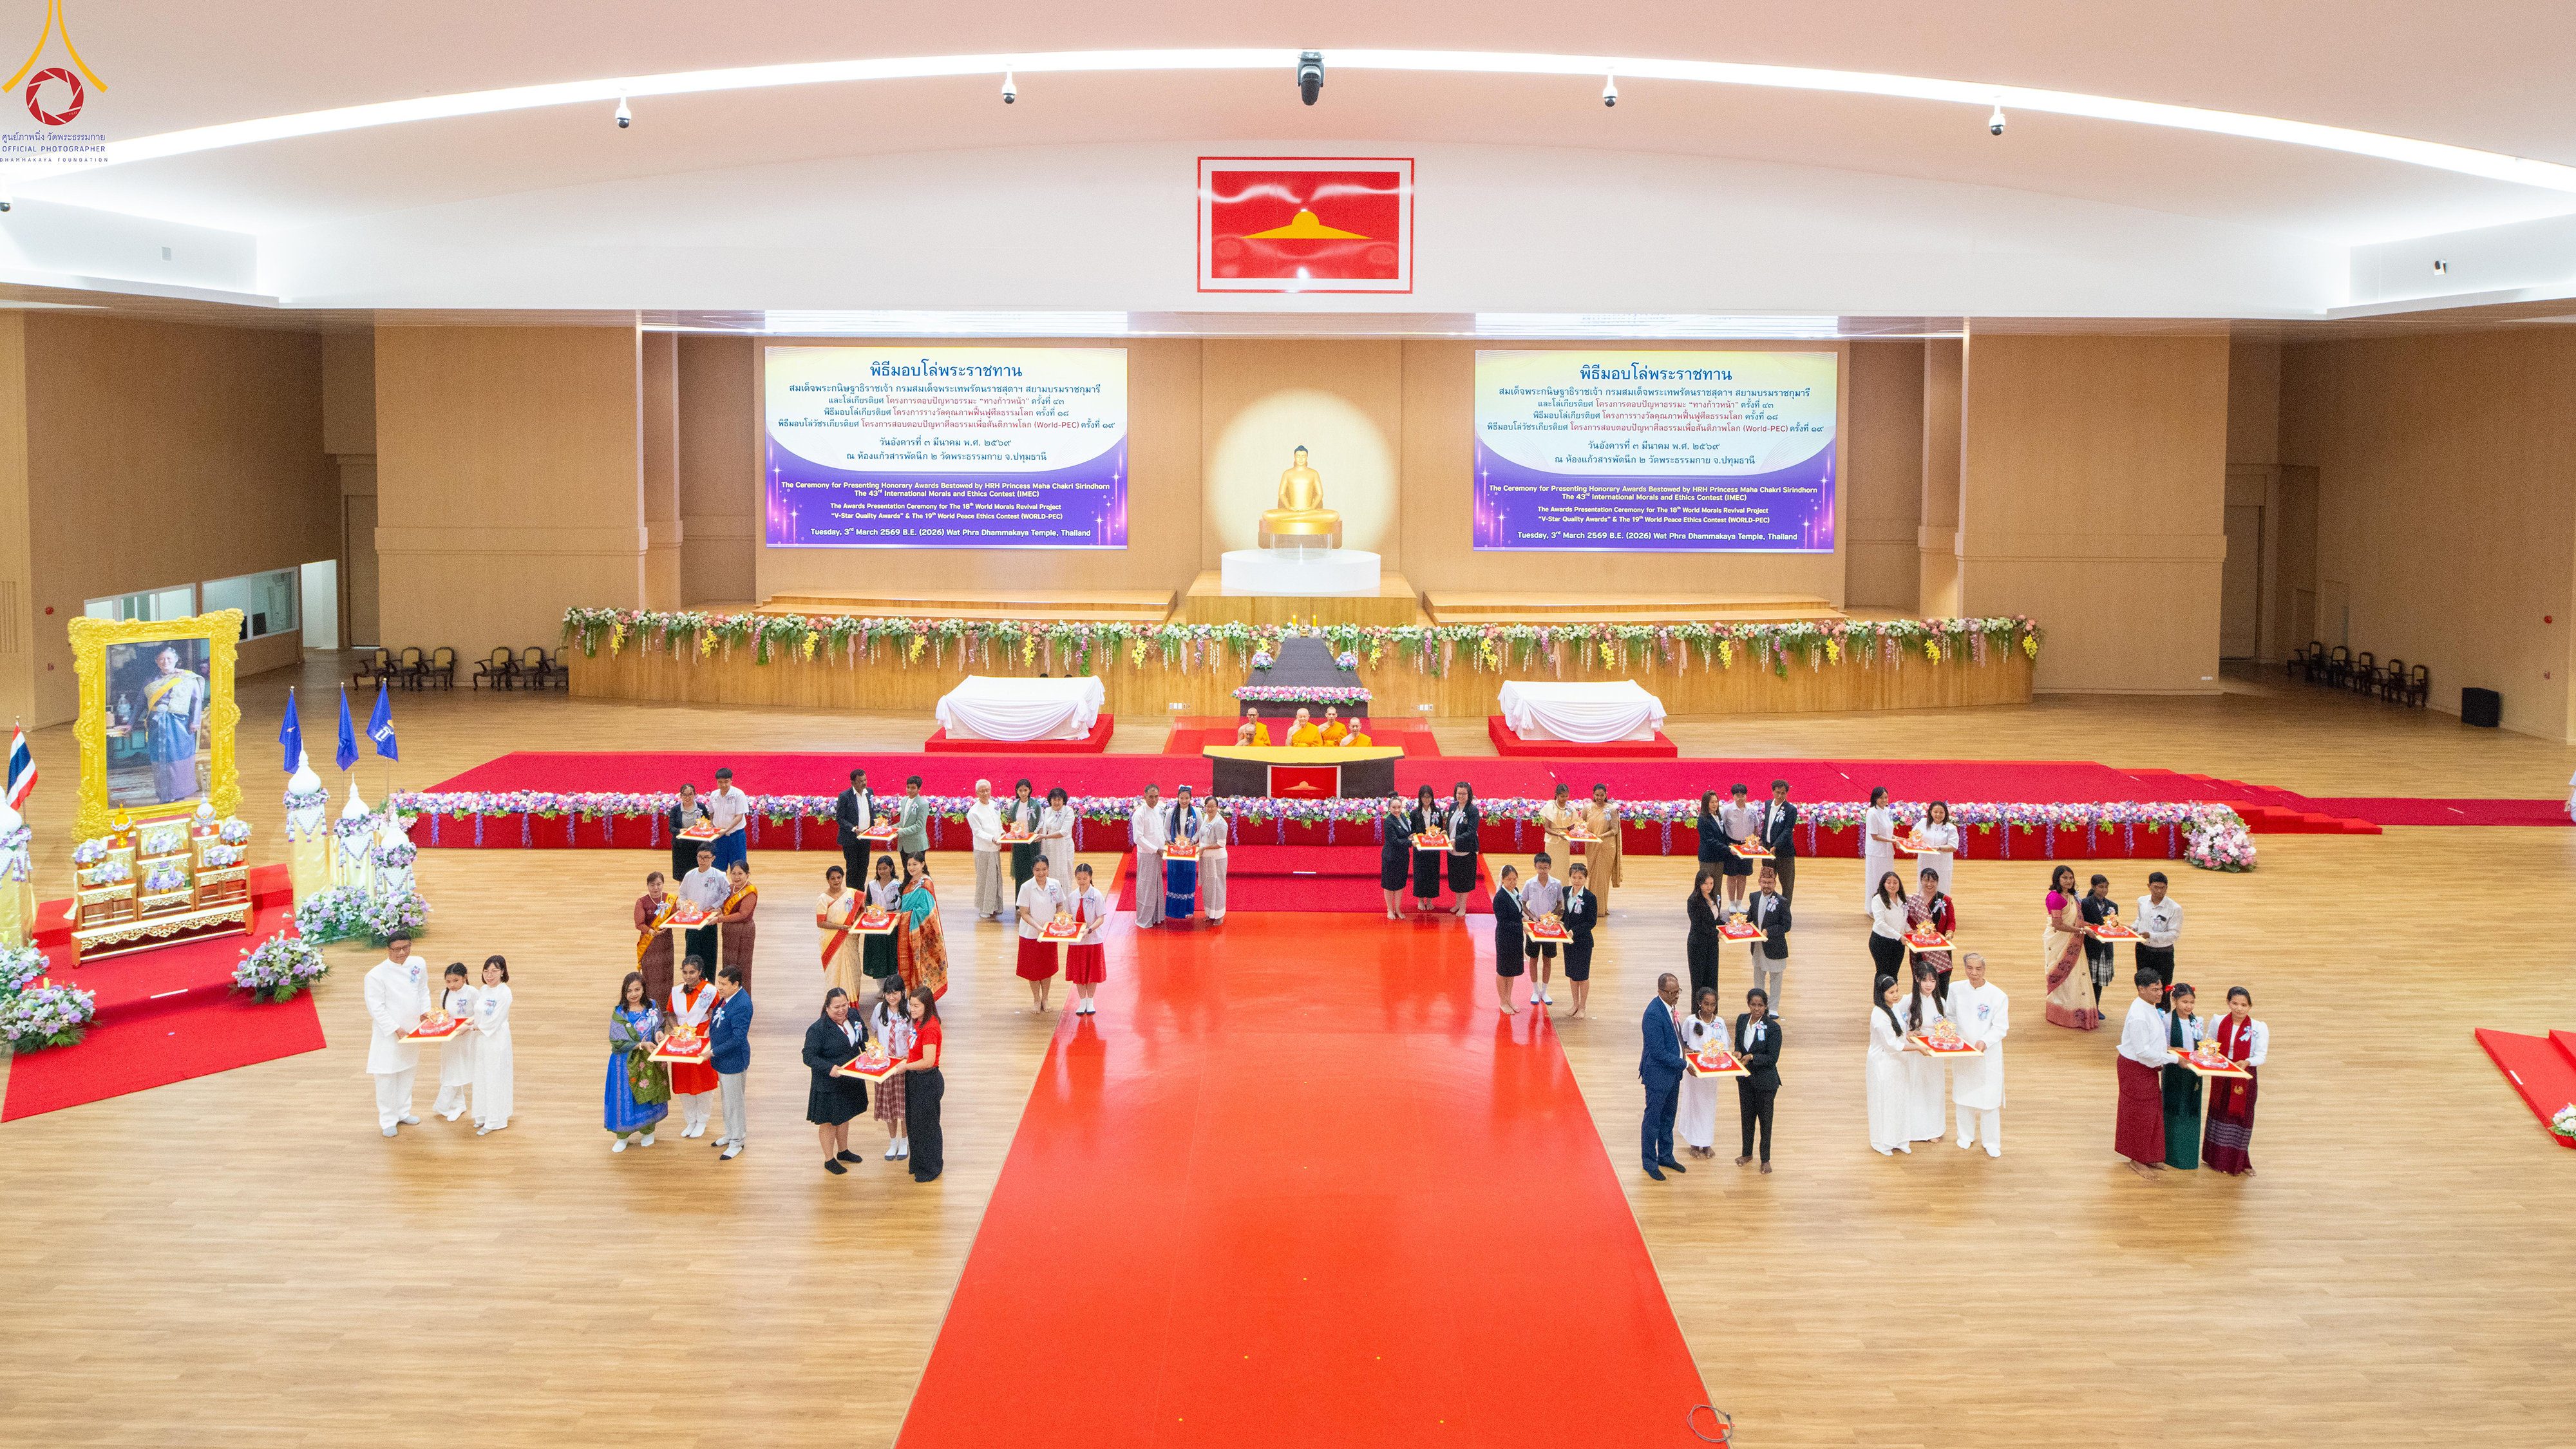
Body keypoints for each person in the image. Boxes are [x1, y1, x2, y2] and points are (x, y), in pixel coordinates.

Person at [363, 934, 430, 1137]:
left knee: (408, 1071)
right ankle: (387, 1119)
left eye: (406, 947)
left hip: (413, 1028)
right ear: (388, 949)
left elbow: (422, 990)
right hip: (389, 1034)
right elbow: (376, 1008)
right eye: (397, 949)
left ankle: (403, 1111)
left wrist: (425, 1013)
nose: (402, 953)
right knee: (386, 1075)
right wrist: (396, 1029)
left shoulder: (418, 964)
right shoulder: (376, 975)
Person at [802, 986, 872, 1175]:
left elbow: (863, 1035)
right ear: (827, 1008)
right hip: (829, 1083)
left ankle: (843, 1151)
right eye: (837, 1007)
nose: (842, 1010)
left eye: (845, 1005)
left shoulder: (854, 1015)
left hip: (850, 1077)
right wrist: (830, 1068)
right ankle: (829, 1159)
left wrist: (868, 1050)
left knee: (844, 1115)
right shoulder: (818, 1029)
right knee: (829, 1121)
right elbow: (808, 1056)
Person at [2115, 969, 2177, 1177]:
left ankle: (2150, 1155)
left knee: (2153, 1112)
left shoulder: (2148, 1006)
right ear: (2141, 989)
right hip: (2135, 1069)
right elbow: (2142, 1052)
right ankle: (2137, 1159)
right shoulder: (2139, 1016)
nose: (2160, 993)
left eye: (2161, 988)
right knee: (2140, 1115)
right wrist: (2174, 1059)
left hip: (2145, 1067)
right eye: (2155, 990)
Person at [2203, 987, 2268, 1177]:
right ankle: (2218, 1160)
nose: (2239, 1009)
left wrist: (2247, 1061)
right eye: (2235, 1004)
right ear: (2228, 1003)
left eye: (2244, 1005)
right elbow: (2210, 1042)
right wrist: (2210, 1053)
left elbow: (2261, 1056)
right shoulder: (2218, 1021)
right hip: (2223, 1073)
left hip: (2245, 1075)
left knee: (2241, 1116)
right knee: (2221, 1113)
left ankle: (2241, 1161)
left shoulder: (2258, 1027)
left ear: (2250, 1006)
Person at [1948, 953, 2009, 1155]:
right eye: (1970, 968)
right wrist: (1954, 1036)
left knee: (1989, 1098)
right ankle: (1965, 1135)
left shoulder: (1998, 996)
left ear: (1984, 969)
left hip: (1988, 1054)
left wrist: (1986, 1041)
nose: (1974, 973)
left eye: (1978, 969)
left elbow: (2000, 1028)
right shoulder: (1955, 989)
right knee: (1964, 1094)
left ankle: (1991, 1141)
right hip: (1963, 1051)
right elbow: (1950, 1017)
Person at [604, 971, 668, 1152]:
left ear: (644, 989)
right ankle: (622, 1136)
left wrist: (659, 1033)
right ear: (624, 992)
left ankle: (648, 1132)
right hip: (625, 1062)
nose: (633, 994)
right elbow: (616, 1042)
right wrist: (640, 1044)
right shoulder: (620, 1014)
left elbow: (660, 1024)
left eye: (637, 989)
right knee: (625, 1097)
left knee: (648, 1095)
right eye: (629, 991)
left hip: (650, 1060)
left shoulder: (653, 1006)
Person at [141, 645, 208, 802]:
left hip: (180, 724)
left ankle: (179, 795)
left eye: (169, 658)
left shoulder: (187, 678)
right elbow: (140, 703)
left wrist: (195, 722)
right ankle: (164, 796)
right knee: (160, 760)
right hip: (156, 724)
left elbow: (197, 700)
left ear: (176, 660)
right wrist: (130, 724)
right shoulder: (150, 681)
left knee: (179, 759)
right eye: (162, 659)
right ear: (156, 661)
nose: (166, 662)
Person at [1638, 972, 1687, 1180]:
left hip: (1672, 1074)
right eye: (1672, 993)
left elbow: (1675, 1038)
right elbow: (1657, 1052)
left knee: (1668, 1118)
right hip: (1658, 1076)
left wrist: (1686, 1051)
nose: (1676, 996)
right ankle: (1649, 1162)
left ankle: (1666, 1156)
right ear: (1661, 992)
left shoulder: (1669, 1007)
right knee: (1653, 1120)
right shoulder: (1652, 1015)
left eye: (1678, 992)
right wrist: (1684, 1064)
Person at [1867, 974, 1922, 1155]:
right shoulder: (1879, 1015)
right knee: (1886, 1101)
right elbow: (1891, 1045)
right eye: (1891, 992)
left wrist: (1909, 1035)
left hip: (1898, 1063)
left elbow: (1900, 1032)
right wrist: (1917, 1048)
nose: (1896, 995)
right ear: (1882, 994)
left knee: (1900, 1099)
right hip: (1884, 1063)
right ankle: (1883, 1142)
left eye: (1897, 991)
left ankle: (1900, 1139)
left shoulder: (1895, 1008)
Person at [666, 956, 721, 1138]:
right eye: (685, 972)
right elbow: (671, 1014)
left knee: (702, 1079)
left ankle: (702, 1120)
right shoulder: (676, 991)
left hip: (702, 1038)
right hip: (682, 1040)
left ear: (700, 972)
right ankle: (690, 1120)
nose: (688, 976)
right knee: (683, 1080)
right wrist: (675, 1028)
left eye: (692, 972)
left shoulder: (710, 991)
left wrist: (710, 1032)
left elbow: (717, 1013)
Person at [1733, 987, 1783, 1172]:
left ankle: (1765, 1159)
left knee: (1765, 1121)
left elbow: (1772, 1058)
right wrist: (1738, 1051)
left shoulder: (1773, 1028)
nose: (1757, 1009)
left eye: (1760, 1005)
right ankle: (1747, 1153)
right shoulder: (1741, 1020)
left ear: (1766, 1006)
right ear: (1748, 1004)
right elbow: (1739, 1042)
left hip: (1766, 1082)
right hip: (1745, 1079)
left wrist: (1752, 1057)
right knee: (1746, 1118)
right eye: (1753, 1005)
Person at [2041, 864, 2097, 1030]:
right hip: (2060, 942)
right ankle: (2062, 1014)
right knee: (2065, 976)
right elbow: (2058, 925)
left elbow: (2074, 920)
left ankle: (2077, 1013)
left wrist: (2091, 926)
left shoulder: (2072, 897)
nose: (2069, 881)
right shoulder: (2055, 897)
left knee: (2076, 976)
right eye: (2065, 878)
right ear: (2057, 879)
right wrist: (2083, 930)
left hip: (2074, 940)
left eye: (2071, 878)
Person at [1899, 964, 1949, 1142]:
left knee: (1934, 1089)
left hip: (1935, 1053)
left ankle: (1932, 1130)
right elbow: (1896, 1024)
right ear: (1917, 979)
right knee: (1916, 1088)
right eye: (1925, 980)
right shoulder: (1908, 1000)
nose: (1929, 985)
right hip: (1915, 1052)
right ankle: (1915, 1130)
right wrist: (1909, 1034)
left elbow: (1947, 1027)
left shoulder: (1941, 1003)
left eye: (1933, 981)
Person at [900, 987, 945, 1182]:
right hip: (915, 1079)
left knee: (927, 1127)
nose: (912, 1009)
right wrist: (905, 1059)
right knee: (914, 1124)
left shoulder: (930, 1027)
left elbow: (928, 1061)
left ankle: (931, 1167)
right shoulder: (918, 1023)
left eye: (916, 1006)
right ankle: (918, 1163)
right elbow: (916, 1051)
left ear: (927, 1006)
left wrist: (905, 1066)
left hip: (927, 1081)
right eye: (911, 1004)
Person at [708, 963, 752, 1160]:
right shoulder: (727, 998)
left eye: (723, 984)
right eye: (719, 983)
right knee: (727, 1099)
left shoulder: (742, 1004)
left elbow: (738, 1039)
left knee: (735, 1102)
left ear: (735, 984)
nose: (719, 987)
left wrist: (712, 1052)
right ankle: (730, 1133)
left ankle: (737, 1141)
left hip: (733, 1060)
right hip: (723, 1060)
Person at [1015, 853, 1068, 1012]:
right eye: (1038, 869)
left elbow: (1060, 905)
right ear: (1033, 870)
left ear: (1048, 869)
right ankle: (1036, 999)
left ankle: (1045, 998)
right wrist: (1038, 927)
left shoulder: (1055, 884)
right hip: (1031, 934)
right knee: (1033, 969)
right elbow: (1024, 913)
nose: (1041, 873)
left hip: (1050, 934)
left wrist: (1057, 919)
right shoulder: (1026, 887)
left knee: (1047, 967)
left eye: (1044, 869)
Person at [1678, 985, 1726, 1157]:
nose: (1709, 1008)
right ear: (1699, 1003)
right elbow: (1682, 1043)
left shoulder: (1719, 1023)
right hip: (1694, 1072)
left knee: (1708, 1107)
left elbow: (1725, 1046)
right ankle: (1693, 1143)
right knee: (1694, 1105)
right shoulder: (1691, 1021)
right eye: (1706, 1004)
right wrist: (1689, 1052)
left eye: (1713, 1005)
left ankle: (1706, 1144)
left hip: (1711, 1074)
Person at [2162, 982, 2206, 1170]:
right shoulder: (2166, 1020)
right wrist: (2172, 1051)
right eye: (2184, 1002)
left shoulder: (2197, 1021)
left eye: (2192, 1003)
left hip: (2194, 1072)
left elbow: (2201, 1044)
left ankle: (2188, 1155)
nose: (2189, 1006)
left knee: (2191, 1108)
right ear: (2174, 1000)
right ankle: (2171, 1154)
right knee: (2173, 1108)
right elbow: (2161, 1044)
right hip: (2174, 1070)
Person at [869, 977, 914, 1160]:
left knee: (903, 1107)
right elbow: (874, 1030)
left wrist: (909, 1057)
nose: (892, 997)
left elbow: (915, 1035)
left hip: (904, 1066)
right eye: (888, 993)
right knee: (889, 1107)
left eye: (895, 993)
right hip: (885, 1067)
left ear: (902, 992)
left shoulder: (910, 1009)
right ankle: (892, 1142)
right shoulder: (879, 1010)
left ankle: (905, 1142)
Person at [896, 852, 951, 999]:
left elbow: (927, 912)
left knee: (923, 965)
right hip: (908, 929)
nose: (911, 868)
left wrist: (904, 917)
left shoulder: (926, 884)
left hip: (923, 933)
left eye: (915, 864)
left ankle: (923, 997)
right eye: (909, 865)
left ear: (923, 864)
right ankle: (912, 994)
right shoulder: (910, 880)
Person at [469, 956, 513, 1135]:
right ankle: (482, 1115)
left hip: (496, 1039)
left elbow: (495, 1020)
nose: (490, 975)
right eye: (486, 971)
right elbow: (478, 1013)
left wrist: (474, 1027)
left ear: (503, 972)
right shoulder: (483, 990)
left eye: (495, 971)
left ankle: (495, 1120)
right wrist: (467, 1024)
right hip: (481, 1039)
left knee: (495, 1077)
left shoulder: (505, 992)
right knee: (481, 1075)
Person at [433, 963, 477, 1122]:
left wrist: (467, 1026)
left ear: (465, 977)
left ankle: (443, 1106)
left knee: (458, 1070)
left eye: (456, 981)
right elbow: (444, 1015)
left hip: (467, 1037)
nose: (451, 985)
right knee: (451, 1069)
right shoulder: (444, 994)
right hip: (451, 1039)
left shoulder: (473, 992)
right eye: (448, 981)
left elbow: (479, 1014)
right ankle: (458, 1104)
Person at [1744, 864, 1792, 1013]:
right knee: (1758, 975)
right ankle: (1758, 1005)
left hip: (1775, 947)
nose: (1766, 886)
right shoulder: (1754, 896)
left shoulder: (1782, 902)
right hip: (1758, 946)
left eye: (1770, 883)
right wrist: (1741, 923)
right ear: (1759, 881)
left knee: (1775, 978)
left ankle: (1773, 1008)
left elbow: (1786, 925)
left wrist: (1768, 931)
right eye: (1764, 882)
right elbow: (1751, 916)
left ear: (1775, 883)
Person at [1065, 861, 1110, 1016]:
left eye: (1085, 878)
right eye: (1079, 878)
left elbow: (1101, 919)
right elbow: (1068, 917)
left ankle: (1090, 1001)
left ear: (1090, 877)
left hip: (1093, 940)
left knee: (1092, 972)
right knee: (1079, 972)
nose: (1081, 881)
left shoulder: (1096, 895)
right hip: (1076, 941)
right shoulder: (1072, 896)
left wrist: (1089, 930)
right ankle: (1081, 1001)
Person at [1520, 851, 1566, 1007]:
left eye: (1545, 868)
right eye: (1539, 867)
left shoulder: (1557, 884)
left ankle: (1545, 991)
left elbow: (1560, 905)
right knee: (1533, 958)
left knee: (1547, 958)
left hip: (1549, 928)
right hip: (1534, 927)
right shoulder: (1529, 883)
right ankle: (1535, 990)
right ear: (1535, 867)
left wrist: (1552, 917)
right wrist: (1533, 918)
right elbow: (1523, 904)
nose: (1542, 870)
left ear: (1550, 867)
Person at [1906, 867, 1956, 1003]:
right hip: (1920, 948)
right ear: (1921, 880)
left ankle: (1941, 1010)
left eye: (1933, 881)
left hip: (1940, 947)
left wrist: (1949, 934)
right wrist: (1913, 931)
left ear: (1937, 882)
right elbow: (1908, 920)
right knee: (1920, 979)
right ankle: (1918, 1008)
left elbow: (1951, 921)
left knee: (1943, 980)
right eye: (1926, 880)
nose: (1929, 884)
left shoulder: (1945, 900)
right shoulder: (1913, 900)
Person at [2079, 874, 2123, 1019]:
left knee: (2099, 980)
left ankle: (2095, 1007)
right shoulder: (2084, 904)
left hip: (2105, 949)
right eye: (2101, 887)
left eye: (2106, 887)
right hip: (2090, 948)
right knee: (2088, 979)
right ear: (2093, 887)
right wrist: (2090, 926)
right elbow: (2079, 922)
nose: (2104, 890)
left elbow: (2115, 926)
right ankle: (2085, 1008)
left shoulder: (2113, 906)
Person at [815, 864, 861, 1002]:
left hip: (849, 938)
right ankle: (835, 1003)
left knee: (853, 970)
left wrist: (855, 925)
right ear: (828, 880)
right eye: (833, 878)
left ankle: (852, 1002)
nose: (836, 881)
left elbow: (861, 909)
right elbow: (821, 922)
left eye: (839, 877)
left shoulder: (851, 894)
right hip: (832, 940)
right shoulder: (823, 899)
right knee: (834, 973)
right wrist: (841, 927)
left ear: (843, 878)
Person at [678, 845, 726, 971]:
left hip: (709, 922)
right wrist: (686, 906)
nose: (702, 860)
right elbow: (682, 893)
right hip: (692, 923)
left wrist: (715, 906)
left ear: (713, 858)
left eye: (706, 857)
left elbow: (727, 894)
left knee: (709, 957)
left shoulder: (719, 875)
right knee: (691, 956)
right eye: (700, 857)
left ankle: (709, 984)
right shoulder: (690, 875)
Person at [1560, 862, 1599, 1019]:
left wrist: (1574, 932)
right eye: (1574, 877)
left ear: (1585, 879)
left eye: (1580, 878)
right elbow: (1563, 913)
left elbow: (1591, 922)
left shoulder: (1590, 897)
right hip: (1567, 941)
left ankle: (1583, 1006)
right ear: (1570, 877)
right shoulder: (1565, 892)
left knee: (1582, 976)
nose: (1577, 881)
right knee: (1572, 974)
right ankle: (1575, 1004)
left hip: (1583, 942)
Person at [634, 869, 679, 1004]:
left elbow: (675, 918)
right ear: (648, 886)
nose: (656, 888)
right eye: (652, 885)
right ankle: (651, 1005)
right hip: (650, 943)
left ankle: (666, 1006)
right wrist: (652, 932)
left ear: (663, 884)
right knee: (652, 974)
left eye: (659, 884)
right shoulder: (642, 902)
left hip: (666, 941)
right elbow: (639, 924)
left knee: (666, 973)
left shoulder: (670, 899)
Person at [1581, 784, 1624, 916]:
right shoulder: (1587, 808)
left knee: (1603, 878)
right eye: (1597, 795)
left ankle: (1601, 908)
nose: (1599, 798)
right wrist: (1584, 830)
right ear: (1593, 795)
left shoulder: (1611, 810)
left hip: (1606, 847)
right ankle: (1592, 907)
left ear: (1606, 795)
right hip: (1592, 846)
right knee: (1593, 876)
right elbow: (1582, 823)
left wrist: (1602, 836)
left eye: (1602, 795)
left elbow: (1615, 830)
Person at [860, 855, 903, 988]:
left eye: (885, 868)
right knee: (877, 957)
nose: (882, 871)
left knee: (891, 955)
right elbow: (868, 901)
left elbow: (901, 904)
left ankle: (892, 987)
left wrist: (898, 911)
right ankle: (881, 988)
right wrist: (870, 910)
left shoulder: (897, 885)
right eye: (879, 869)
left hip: (891, 925)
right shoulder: (872, 885)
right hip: (875, 925)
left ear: (891, 868)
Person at [1164, 785, 1204, 923]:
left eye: (1187, 798)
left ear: (1191, 798)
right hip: (1175, 852)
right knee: (1175, 877)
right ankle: (1173, 910)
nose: (1184, 801)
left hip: (1189, 852)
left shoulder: (1196, 812)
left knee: (1188, 878)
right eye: (1182, 798)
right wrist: (1170, 841)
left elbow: (1201, 829)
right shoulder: (1171, 812)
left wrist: (1193, 841)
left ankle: (1187, 909)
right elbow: (1165, 829)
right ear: (1178, 798)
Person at [966, 779, 1005, 920]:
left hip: (995, 848)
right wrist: (992, 839)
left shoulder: (994, 805)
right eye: (982, 790)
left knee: (995, 878)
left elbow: (998, 824)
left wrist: (1003, 834)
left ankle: (995, 906)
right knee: (984, 879)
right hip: (983, 849)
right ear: (977, 792)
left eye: (987, 790)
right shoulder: (973, 812)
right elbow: (978, 832)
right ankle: (984, 908)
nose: (985, 793)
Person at [718, 860, 759, 992]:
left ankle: (743, 996)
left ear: (747, 875)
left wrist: (720, 919)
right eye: (733, 873)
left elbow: (743, 914)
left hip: (744, 931)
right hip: (729, 931)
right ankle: (728, 994)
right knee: (728, 963)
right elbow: (723, 907)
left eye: (740, 874)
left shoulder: (750, 892)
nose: (736, 877)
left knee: (743, 966)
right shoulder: (730, 888)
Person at [2136, 872, 2183, 987]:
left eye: (2162, 888)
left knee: (2162, 990)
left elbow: (2174, 935)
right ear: (2149, 886)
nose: (2159, 891)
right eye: (2156, 887)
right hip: (2143, 950)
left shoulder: (2175, 908)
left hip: (2163, 954)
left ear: (2166, 888)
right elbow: (2140, 919)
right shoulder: (2142, 901)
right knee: (2144, 987)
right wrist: (2132, 927)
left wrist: (2151, 935)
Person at [1490, 863, 1525, 1015]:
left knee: (1512, 970)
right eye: (1510, 879)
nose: (1513, 883)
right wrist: (1522, 927)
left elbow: (1518, 912)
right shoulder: (1499, 898)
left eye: (1515, 879)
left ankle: (1509, 998)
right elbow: (1503, 922)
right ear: (1503, 880)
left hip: (1516, 937)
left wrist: (1526, 921)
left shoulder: (1515, 891)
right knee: (1503, 970)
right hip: (1505, 937)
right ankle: (1502, 1001)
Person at [1685, 867, 1723, 1003]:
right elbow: (1698, 924)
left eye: (1711, 883)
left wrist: (1726, 926)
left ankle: (1712, 1011)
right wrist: (1716, 933)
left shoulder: (1714, 896)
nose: (1709, 887)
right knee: (1698, 982)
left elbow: (1716, 919)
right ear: (1699, 883)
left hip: (1712, 945)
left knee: (1712, 979)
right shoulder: (1693, 901)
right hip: (1698, 945)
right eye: (1706, 883)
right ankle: (1697, 1013)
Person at [1131, 783, 1168, 929]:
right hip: (1147, 855)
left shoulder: (1159, 810)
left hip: (1158, 854)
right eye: (1151, 797)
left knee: (1157, 885)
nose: (1154, 800)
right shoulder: (1140, 814)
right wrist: (1155, 849)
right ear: (1144, 796)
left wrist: (1166, 844)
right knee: (1146, 886)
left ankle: (1156, 916)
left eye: (1156, 796)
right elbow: (1138, 838)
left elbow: (1160, 831)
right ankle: (1144, 918)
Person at [1718, 783, 1760, 910]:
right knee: (1732, 875)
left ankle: (1739, 903)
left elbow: (1756, 826)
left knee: (1743, 875)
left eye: (1743, 796)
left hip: (1747, 846)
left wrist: (1754, 843)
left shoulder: (1752, 809)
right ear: (1733, 796)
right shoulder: (1727, 810)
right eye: (1737, 796)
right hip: (1733, 846)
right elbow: (1722, 827)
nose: (1740, 798)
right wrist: (1727, 844)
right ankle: (1731, 904)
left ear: (1746, 796)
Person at [836, 767, 878, 889]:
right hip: (851, 838)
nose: (864, 783)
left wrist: (876, 822)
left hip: (866, 836)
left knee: (864, 866)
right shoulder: (845, 796)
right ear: (853, 783)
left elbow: (872, 811)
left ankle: (861, 893)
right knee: (852, 868)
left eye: (865, 780)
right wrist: (854, 829)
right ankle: (851, 895)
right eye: (861, 781)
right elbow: (840, 818)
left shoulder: (870, 792)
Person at [1444, 782, 1482, 918]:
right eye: (1458, 793)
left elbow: (1471, 832)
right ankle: (1457, 903)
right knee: (1455, 878)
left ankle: (1463, 906)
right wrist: (1445, 833)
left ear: (1469, 794)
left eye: (1464, 794)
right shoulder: (1453, 806)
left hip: (1466, 850)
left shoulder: (1472, 810)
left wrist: (1456, 840)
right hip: (1452, 849)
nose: (1461, 796)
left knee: (1465, 879)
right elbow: (1449, 823)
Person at [1758, 779, 1800, 902]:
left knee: (1786, 883)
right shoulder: (1768, 805)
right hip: (1768, 850)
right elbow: (1767, 825)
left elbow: (1787, 831)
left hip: (1784, 852)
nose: (1780, 796)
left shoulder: (1790, 810)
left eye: (1783, 793)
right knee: (1767, 881)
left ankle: (1784, 911)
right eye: (1778, 792)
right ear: (1773, 791)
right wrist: (1762, 840)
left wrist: (1775, 846)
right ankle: (1766, 906)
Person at [1405, 784, 1446, 909]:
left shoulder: (1437, 812)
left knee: (1433, 873)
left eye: (1429, 797)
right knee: (1420, 873)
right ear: (1420, 798)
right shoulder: (1415, 813)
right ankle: (1420, 899)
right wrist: (1412, 837)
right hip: (1420, 850)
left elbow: (1440, 829)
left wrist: (1442, 835)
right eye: (1424, 797)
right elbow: (1411, 831)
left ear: (1432, 798)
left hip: (1434, 850)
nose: (1427, 800)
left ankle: (1430, 899)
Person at [1191, 795, 1230, 923]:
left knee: (1218, 886)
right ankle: (1210, 913)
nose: (1210, 809)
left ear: (1217, 807)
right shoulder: (1206, 818)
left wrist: (1203, 848)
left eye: (1213, 807)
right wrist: (1196, 846)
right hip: (1206, 859)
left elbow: (1221, 843)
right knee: (1208, 887)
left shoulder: (1220, 823)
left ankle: (1219, 915)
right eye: (1208, 807)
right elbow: (1203, 839)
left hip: (1217, 860)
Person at [706, 766, 751, 872]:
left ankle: (739, 889)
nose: (724, 785)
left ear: (731, 780)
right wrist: (712, 824)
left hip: (736, 837)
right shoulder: (714, 795)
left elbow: (739, 817)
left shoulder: (739, 794)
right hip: (718, 838)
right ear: (717, 782)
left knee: (738, 869)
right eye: (720, 782)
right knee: (718, 869)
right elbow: (712, 813)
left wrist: (725, 830)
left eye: (726, 782)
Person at [1002, 779, 1042, 896]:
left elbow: (1041, 822)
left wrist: (1033, 834)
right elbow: (1013, 823)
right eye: (1021, 790)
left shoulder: (1036, 805)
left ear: (1030, 790)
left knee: (1032, 870)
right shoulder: (1014, 806)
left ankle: (1032, 900)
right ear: (1017, 791)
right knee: (1020, 871)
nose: (1023, 793)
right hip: (1019, 843)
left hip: (1032, 843)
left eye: (1026, 790)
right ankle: (1019, 903)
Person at [665, 782, 710, 884]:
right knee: (682, 876)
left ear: (694, 794)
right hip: (681, 848)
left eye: (690, 794)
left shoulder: (701, 808)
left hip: (698, 847)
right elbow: (671, 828)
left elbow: (707, 823)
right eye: (684, 794)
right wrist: (680, 830)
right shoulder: (675, 810)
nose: (687, 797)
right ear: (681, 796)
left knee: (698, 874)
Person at [1867, 870, 1909, 978]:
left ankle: (1893, 995)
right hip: (1881, 942)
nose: (1892, 885)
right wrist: (1899, 936)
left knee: (1894, 974)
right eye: (1889, 882)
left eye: (1895, 883)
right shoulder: (1878, 899)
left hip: (1898, 943)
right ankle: (1879, 996)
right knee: (1883, 973)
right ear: (1883, 884)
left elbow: (1903, 919)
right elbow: (1880, 923)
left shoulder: (1902, 899)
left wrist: (1909, 930)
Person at [1913, 801, 1960, 896]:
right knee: (1924, 887)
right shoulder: (1922, 823)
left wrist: (1938, 848)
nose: (1938, 815)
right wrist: (1919, 843)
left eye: (1941, 812)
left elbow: (1953, 846)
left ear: (1946, 814)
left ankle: (1941, 909)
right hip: (1925, 861)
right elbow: (1914, 837)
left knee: (1942, 888)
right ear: (1930, 812)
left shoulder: (1951, 828)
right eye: (1935, 812)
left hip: (1942, 863)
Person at [1863, 786, 1897, 914]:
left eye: (1886, 797)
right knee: (1876, 879)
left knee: (1888, 879)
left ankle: (1885, 905)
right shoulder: (1872, 813)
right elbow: (1875, 835)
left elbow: (1888, 832)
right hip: (1876, 853)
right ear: (1875, 798)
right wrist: (1893, 841)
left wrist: (1897, 839)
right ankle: (1873, 909)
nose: (1884, 800)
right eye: (1881, 798)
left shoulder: (1887, 811)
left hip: (1887, 852)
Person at [1379, 795, 1412, 920]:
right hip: (1391, 857)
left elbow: (1405, 834)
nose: (1397, 810)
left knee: (1400, 884)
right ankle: (1390, 909)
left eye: (1399, 807)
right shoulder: (1388, 821)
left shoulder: (1403, 817)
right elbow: (1394, 841)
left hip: (1403, 857)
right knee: (1389, 885)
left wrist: (1412, 837)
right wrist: (1410, 843)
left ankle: (1398, 909)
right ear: (1389, 808)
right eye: (1394, 808)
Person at [1037, 785, 1077, 887]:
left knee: (1064, 873)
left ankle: (1064, 902)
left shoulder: (1068, 811)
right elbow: (1044, 826)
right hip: (1051, 847)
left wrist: (1045, 837)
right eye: (1054, 799)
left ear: (1064, 800)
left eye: (1059, 799)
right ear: (1050, 800)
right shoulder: (1048, 810)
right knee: (1051, 871)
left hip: (1064, 846)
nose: (1057, 802)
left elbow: (1063, 832)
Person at [1537, 783, 1579, 871]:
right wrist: (1558, 835)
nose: (1565, 799)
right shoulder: (1550, 807)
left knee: (1563, 866)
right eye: (1562, 796)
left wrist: (1577, 832)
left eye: (1566, 796)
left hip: (1564, 841)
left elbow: (1570, 827)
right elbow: (1547, 829)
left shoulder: (1570, 808)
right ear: (1557, 795)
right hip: (1552, 841)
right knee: (1551, 865)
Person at [895, 774, 931, 860]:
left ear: (919, 789)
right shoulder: (904, 801)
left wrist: (900, 832)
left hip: (916, 844)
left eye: (913, 788)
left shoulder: (923, 804)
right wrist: (889, 828)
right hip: (903, 844)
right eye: (908, 787)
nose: (910, 790)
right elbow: (902, 823)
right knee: (906, 870)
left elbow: (919, 826)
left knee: (918, 871)